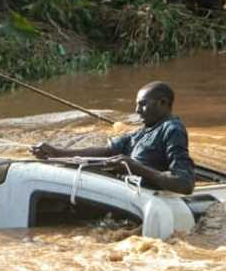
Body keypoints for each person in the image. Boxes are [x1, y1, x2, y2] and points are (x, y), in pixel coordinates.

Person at [31, 81, 195, 195]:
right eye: (137, 104)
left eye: (143, 104)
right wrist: (57, 153)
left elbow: (185, 184)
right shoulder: (143, 131)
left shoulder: (172, 130)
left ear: (163, 103)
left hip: (145, 195)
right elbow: (107, 151)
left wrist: (135, 167)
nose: (137, 110)